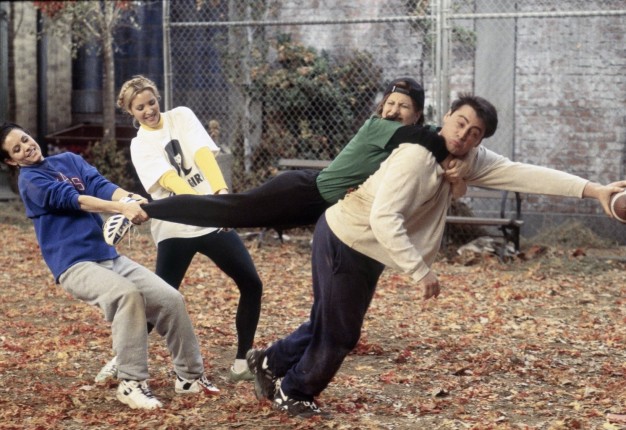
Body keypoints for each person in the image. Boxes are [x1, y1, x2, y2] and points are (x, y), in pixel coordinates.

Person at [243, 94, 626, 418]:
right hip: (347, 238)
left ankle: (270, 362)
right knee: (340, 331)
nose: (464, 134)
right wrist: (420, 270)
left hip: (365, 246)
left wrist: (595, 190)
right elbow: (384, 218)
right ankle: (295, 391)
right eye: (460, 123)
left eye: (474, 132)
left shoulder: (468, 159)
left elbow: (523, 173)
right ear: (446, 116)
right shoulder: (416, 157)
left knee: (329, 320)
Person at [0, 122, 220, 410]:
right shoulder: (30, 181)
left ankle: (190, 377)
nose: (27, 148)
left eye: (25, 139)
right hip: (74, 264)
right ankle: (131, 383)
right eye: (17, 149)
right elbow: (76, 200)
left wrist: (128, 198)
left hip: (108, 256)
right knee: (127, 295)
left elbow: (99, 185)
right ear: (11, 161)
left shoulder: (68, 160)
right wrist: (121, 208)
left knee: (170, 299)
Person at [121, 77, 468, 231]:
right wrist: (455, 151)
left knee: (228, 214)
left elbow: (433, 140)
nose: (393, 110)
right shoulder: (381, 126)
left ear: (417, 113)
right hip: (303, 191)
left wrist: (456, 162)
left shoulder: (410, 142)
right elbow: (432, 140)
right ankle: (144, 209)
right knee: (229, 210)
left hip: (322, 209)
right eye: (390, 103)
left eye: (403, 106)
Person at [108, 75, 264, 382]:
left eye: (151, 102)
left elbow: (203, 156)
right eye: (140, 107)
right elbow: (170, 180)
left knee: (251, 283)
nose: (149, 110)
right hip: (175, 226)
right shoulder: (140, 145)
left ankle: (241, 363)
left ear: (158, 98)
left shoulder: (181, 116)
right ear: (130, 111)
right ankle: (120, 359)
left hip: (211, 220)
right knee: (161, 300)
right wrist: (207, 207)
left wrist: (220, 195)